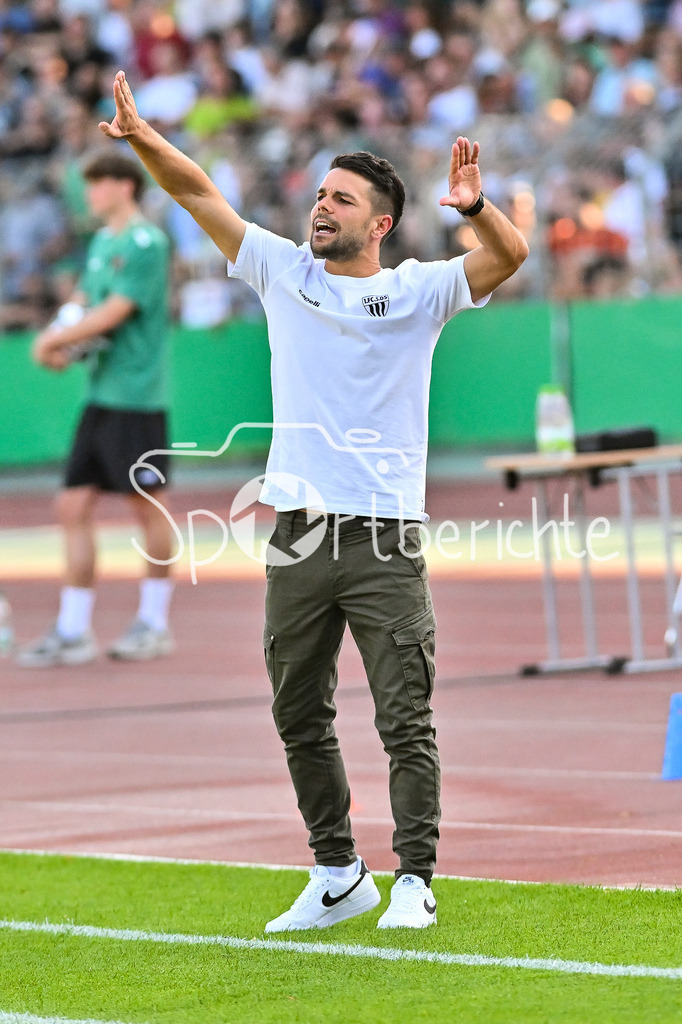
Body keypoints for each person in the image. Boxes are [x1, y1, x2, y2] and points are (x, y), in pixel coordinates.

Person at [99, 70, 528, 929]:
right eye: (320, 194)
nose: (320, 208)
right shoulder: (280, 271)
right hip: (296, 539)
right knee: (298, 713)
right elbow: (198, 192)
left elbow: (510, 257)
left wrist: (477, 209)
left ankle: (414, 880)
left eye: (341, 199)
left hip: (384, 541)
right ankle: (338, 871)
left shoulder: (418, 291)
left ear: (381, 223)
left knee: (405, 716)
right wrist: (142, 137)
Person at [17, 149, 175, 668]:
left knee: (146, 507)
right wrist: (65, 341)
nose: (91, 193)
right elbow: (86, 300)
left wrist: (52, 340)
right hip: (103, 394)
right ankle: (72, 629)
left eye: (99, 183)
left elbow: (116, 310)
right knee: (72, 506)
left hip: (137, 399)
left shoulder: (147, 242)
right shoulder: (104, 242)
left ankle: (154, 621)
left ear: (126, 186)